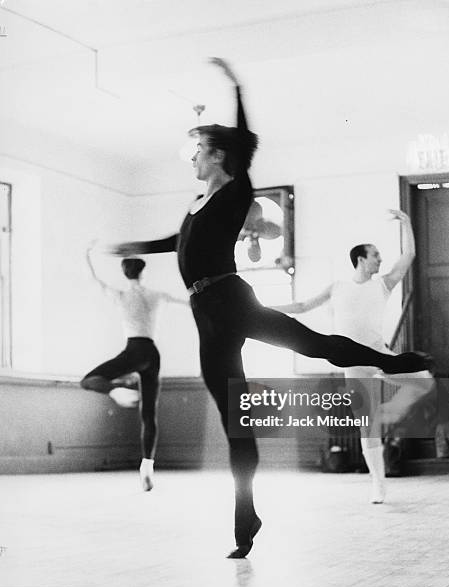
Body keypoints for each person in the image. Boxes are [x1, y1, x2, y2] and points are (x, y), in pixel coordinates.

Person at [107, 58, 431, 556]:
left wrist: (234, 85)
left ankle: (394, 362)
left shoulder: (236, 193)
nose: (193, 158)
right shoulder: (195, 205)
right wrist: (132, 247)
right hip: (206, 316)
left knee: (315, 344)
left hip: (231, 299)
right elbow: (176, 241)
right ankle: (247, 519)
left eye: (199, 151)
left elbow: (245, 138)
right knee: (236, 419)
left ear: (218, 157)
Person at [274, 210, 434, 503]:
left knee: (425, 383)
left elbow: (408, 256)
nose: (380, 260)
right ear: (361, 258)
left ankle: (392, 413)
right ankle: (378, 485)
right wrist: (268, 309)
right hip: (354, 365)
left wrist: (408, 222)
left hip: (381, 357)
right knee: (367, 426)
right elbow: (301, 306)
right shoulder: (338, 287)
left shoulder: (382, 284)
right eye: (375, 255)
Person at [81, 244, 186, 492]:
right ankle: (147, 467)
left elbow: (93, 280)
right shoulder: (157, 295)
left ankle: (115, 389)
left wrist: (86, 254)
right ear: (143, 274)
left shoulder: (120, 295)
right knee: (148, 415)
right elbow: (190, 303)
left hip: (134, 350)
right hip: (152, 353)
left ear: (125, 275)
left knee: (88, 380)